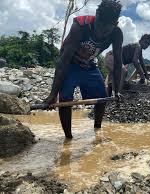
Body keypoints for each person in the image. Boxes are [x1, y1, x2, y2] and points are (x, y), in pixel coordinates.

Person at [43, 0, 123, 138]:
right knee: (65, 98)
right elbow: (63, 62)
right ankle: (68, 138)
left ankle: (97, 131)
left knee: (102, 97)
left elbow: (118, 64)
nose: (100, 32)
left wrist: (117, 91)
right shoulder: (80, 26)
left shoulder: (116, 34)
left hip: (89, 65)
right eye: (99, 26)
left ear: (115, 25)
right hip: (70, 64)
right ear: (96, 15)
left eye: (106, 29)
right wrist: (52, 95)